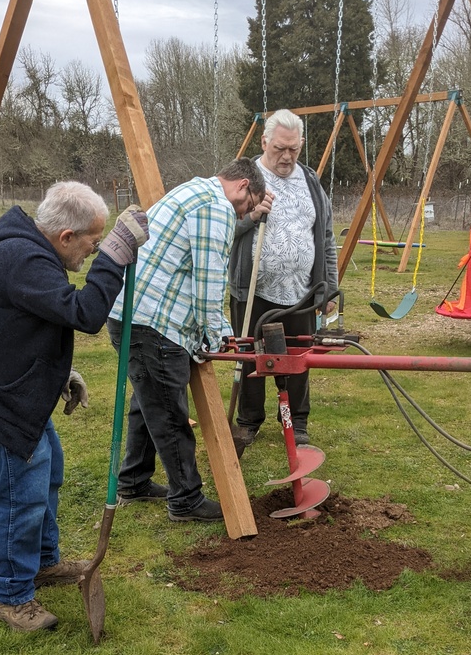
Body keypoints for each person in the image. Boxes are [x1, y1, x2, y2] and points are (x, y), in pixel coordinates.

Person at [0, 182, 149, 632]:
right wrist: (116, 255)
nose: (92, 250)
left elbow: (25, 320)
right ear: (66, 236)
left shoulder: (28, 253)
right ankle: (10, 596)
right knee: (20, 490)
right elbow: (85, 314)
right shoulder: (24, 257)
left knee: (47, 468)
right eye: (92, 241)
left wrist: (58, 375)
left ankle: (42, 562)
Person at [105, 157, 266, 523]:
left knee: (149, 399)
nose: (245, 213)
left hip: (133, 314)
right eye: (248, 204)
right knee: (169, 411)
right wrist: (218, 337)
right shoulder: (216, 207)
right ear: (241, 185)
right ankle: (186, 500)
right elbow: (210, 283)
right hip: (155, 322)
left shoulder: (192, 190)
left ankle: (133, 480)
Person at [228, 108, 339, 451]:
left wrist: (329, 287)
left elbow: (327, 237)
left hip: (301, 291)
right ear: (265, 142)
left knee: (299, 356)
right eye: (279, 148)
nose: (287, 156)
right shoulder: (244, 178)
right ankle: (248, 421)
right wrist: (250, 217)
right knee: (250, 356)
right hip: (253, 290)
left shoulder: (310, 181)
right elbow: (221, 229)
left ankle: (297, 420)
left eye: (294, 148)